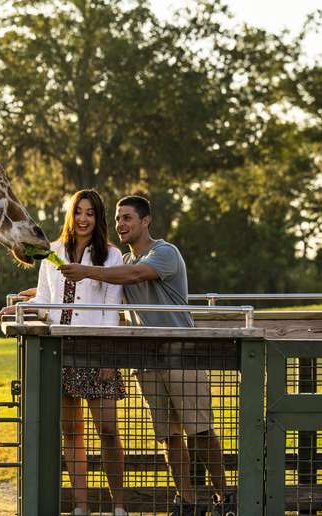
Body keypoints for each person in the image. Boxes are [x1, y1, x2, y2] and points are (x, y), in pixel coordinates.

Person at [59, 195, 234, 516]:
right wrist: (28, 298)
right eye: (117, 219)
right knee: (168, 436)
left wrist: (85, 270)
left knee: (201, 431)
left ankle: (227, 498)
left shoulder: (164, 253)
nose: (120, 225)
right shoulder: (121, 262)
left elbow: (135, 276)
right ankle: (188, 502)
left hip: (182, 354)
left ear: (145, 221)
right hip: (147, 360)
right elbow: (85, 289)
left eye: (127, 218)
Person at [0, 189, 127, 516]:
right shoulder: (52, 252)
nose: (83, 219)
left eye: (91, 213)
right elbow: (45, 299)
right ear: (70, 214)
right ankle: (82, 506)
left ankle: (119, 506)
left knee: (109, 431)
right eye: (79, 212)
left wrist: (109, 359)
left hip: (97, 352)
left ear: (98, 219)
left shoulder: (110, 256)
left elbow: (111, 309)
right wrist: (21, 309)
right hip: (60, 351)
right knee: (72, 432)